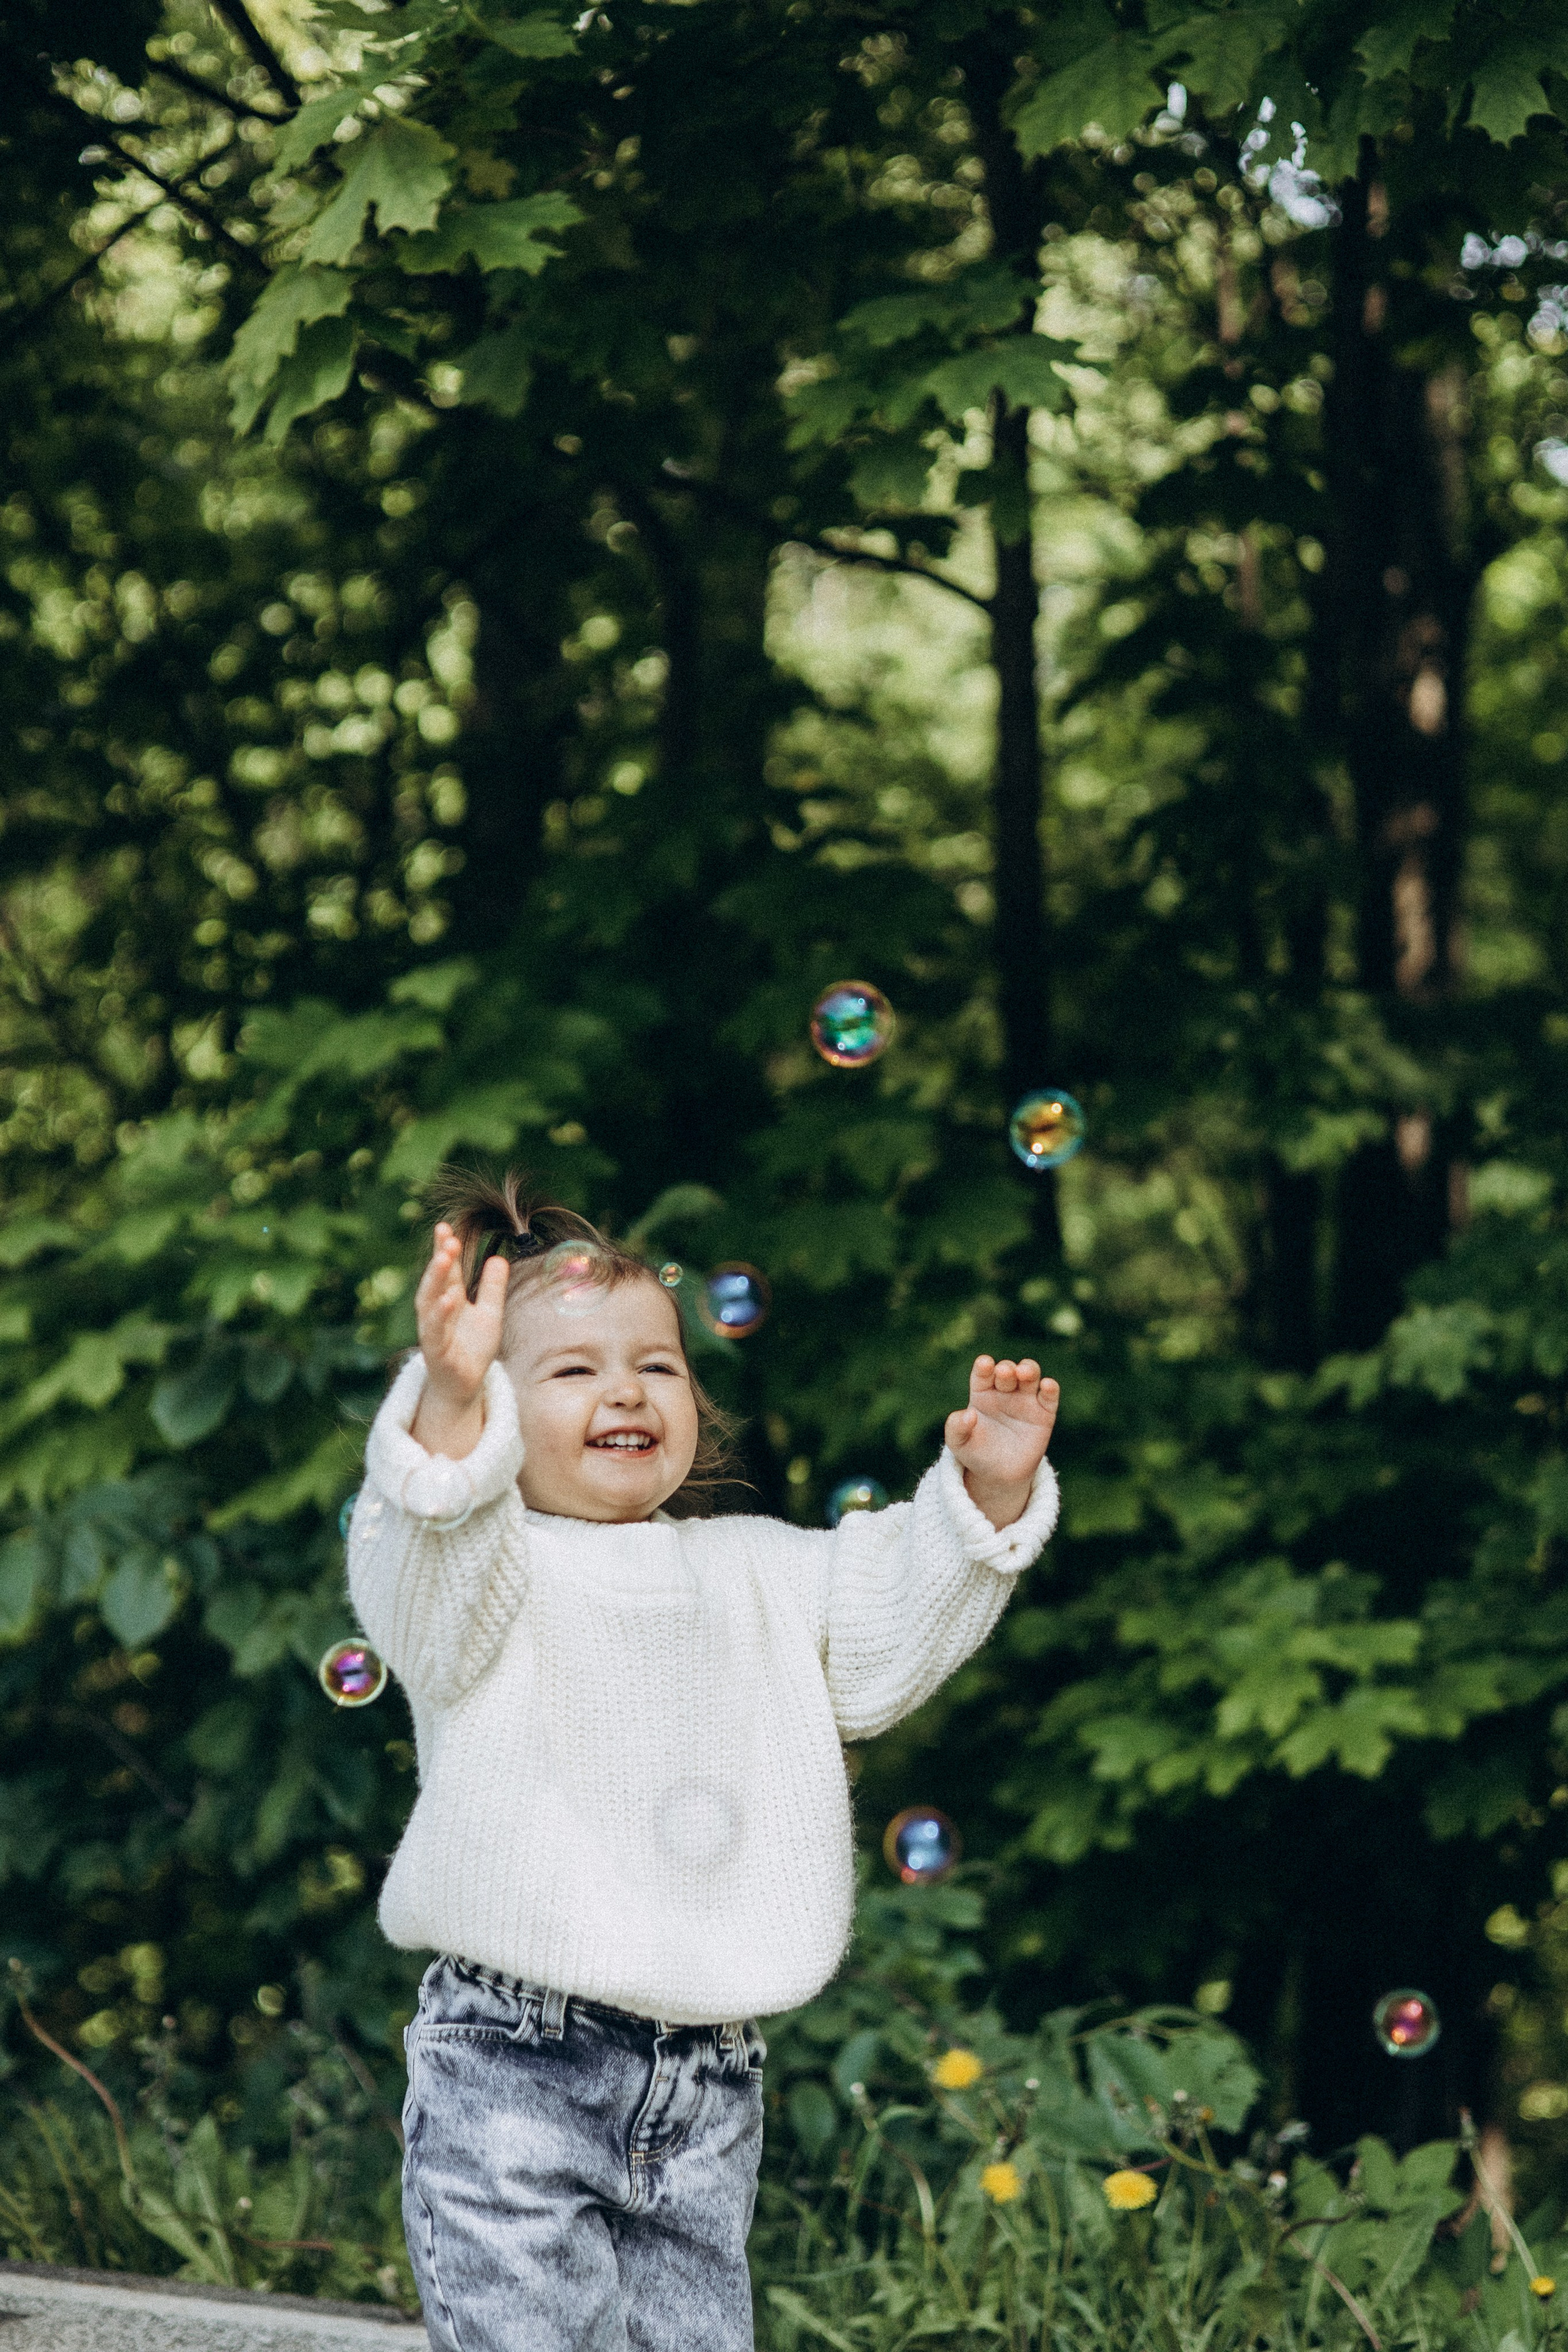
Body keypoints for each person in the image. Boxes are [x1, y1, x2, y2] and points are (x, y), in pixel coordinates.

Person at [347, 1167, 1061, 2352]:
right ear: (497, 1421)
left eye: (658, 1365)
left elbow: (884, 1631)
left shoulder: (757, 1567)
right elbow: (421, 1560)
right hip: (515, 2064)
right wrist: (447, 1411)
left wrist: (986, 1491)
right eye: (573, 1370)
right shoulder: (486, 1570)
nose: (625, 1390)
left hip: (710, 2083)